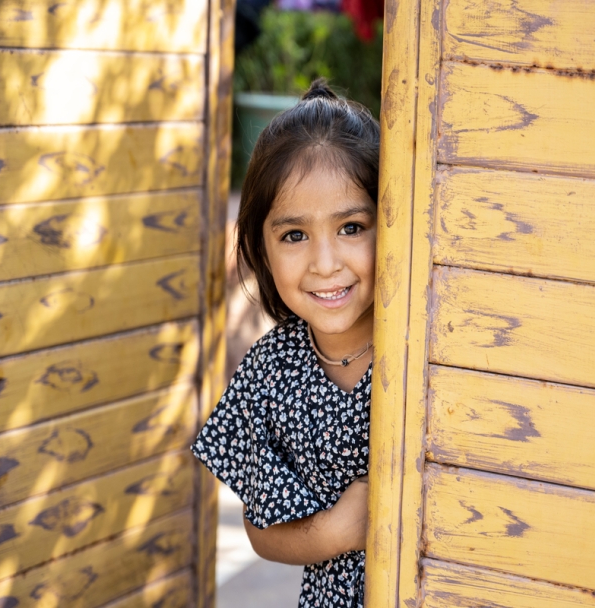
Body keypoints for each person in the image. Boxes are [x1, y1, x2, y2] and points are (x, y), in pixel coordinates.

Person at [191, 78, 380, 608]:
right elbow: (261, 529)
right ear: (262, 247)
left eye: (351, 227)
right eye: (295, 235)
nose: (325, 263)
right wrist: (338, 531)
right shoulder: (272, 372)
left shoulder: (425, 352)